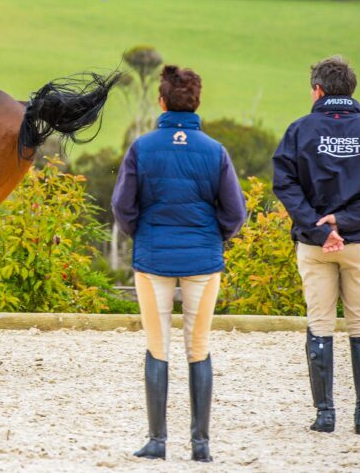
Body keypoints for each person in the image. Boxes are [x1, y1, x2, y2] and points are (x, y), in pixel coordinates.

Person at [112, 65, 246, 462]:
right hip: (203, 260)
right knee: (198, 346)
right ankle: (200, 446)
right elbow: (235, 212)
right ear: (197, 102)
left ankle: (157, 441)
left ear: (162, 101)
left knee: (158, 347)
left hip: (153, 258)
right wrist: (212, 235)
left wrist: (145, 232)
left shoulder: (142, 147)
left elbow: (122, 205)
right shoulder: (215, 150)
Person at [272, 55, 360, 436]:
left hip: (314, 244)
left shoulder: (299, 129)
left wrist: (319, 225)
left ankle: (325, 414)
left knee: (320, 323)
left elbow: (285, 182)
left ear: (318, 90)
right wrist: (345, 222)